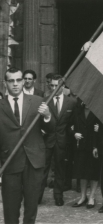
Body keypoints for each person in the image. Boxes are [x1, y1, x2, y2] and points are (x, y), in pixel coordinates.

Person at [0, 67, 52, 224]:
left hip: (33, 162)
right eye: (11, 81)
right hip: (10, 162)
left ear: (23, 81)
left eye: (18, 80)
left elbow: (50, 130)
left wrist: (48, 115)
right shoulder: (1, 105)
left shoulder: (37, 101)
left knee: (31, 210)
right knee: (10, 210)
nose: (15, 84)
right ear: (5, 83)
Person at [39, 74, 76, 206]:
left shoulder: (71, 102)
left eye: (57, 86)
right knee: (43, 169)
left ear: (63, 86)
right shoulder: (45, 100)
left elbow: (72, 123)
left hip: (62, 141)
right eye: (52, 85)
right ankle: (38, 196)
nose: (54, 88)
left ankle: (58, 196)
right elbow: (40, 122)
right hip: (47, 140)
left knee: (60, 169)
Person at [71, 99, 99, 208]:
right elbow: (69, 125)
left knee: (93, 172)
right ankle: (83, 197)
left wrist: (96, 146)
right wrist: (74, 133)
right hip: (81, 145)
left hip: (93, 146)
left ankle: (91, 197)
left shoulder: (98, 111)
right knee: (81, 172)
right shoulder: (78, 110)